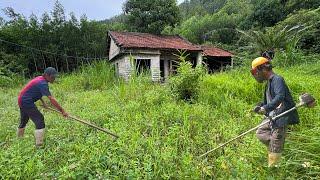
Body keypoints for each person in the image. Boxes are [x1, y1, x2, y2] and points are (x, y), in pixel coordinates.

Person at [251, 57, 299, 167]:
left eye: (255, 71)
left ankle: (274, 169)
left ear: (262, 68)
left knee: (275, 143)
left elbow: (280, 97)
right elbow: (268, 101)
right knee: (261, 133)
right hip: (272, 116)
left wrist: (266, 108)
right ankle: (277, 147)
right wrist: (261, 105)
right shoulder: (269, 83)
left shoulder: (277, 79)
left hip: (280, 116)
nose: (255, 74)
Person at [17, 67, 68, 147]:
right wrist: (62, 111)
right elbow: (51, 98)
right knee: (39, 119)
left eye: (54, 77)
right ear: (47, 75)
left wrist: (43, 102)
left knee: (24, 119)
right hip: (26, 101)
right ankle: (39, 145)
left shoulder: (40, 79)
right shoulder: (42, 83)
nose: (54, 79)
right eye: (52, 77)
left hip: (21, 99)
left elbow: (37, 92)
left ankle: (19, 139)